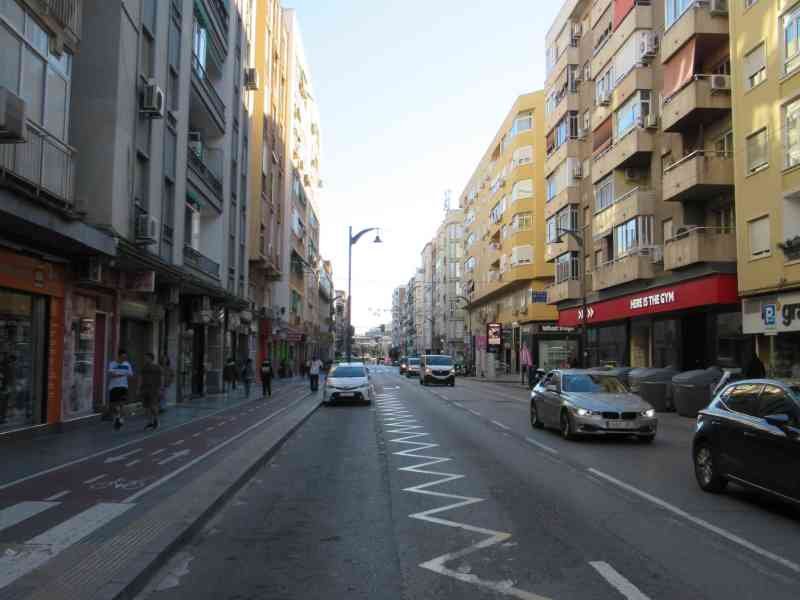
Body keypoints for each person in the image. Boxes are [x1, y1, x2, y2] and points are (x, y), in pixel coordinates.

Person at [108, 350, 133, 430]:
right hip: (113, 387)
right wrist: (123, 374)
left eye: (125, 357)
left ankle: (120, 420)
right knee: (114, 405)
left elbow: (130, 375)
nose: (124, 359)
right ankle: (118, 417)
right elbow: (112, 375)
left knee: (122, 404)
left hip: (123, 386)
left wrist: (119, 374)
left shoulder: (127, 364)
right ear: (118, 356)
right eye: (122, 357)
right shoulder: (112, 364)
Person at [140, 352, 163, 429]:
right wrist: (139, 387)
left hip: (154, 389)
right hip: (145, 389)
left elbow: (161, 378)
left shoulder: (157, 367)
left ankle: (156, 420)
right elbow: (141, 377)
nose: (145, 359)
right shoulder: (144, 367)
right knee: (146, 406)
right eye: (145, 358)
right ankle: (149, 422)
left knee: (153, 405)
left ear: (151, 358)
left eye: (146, 358)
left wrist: (160, 388)